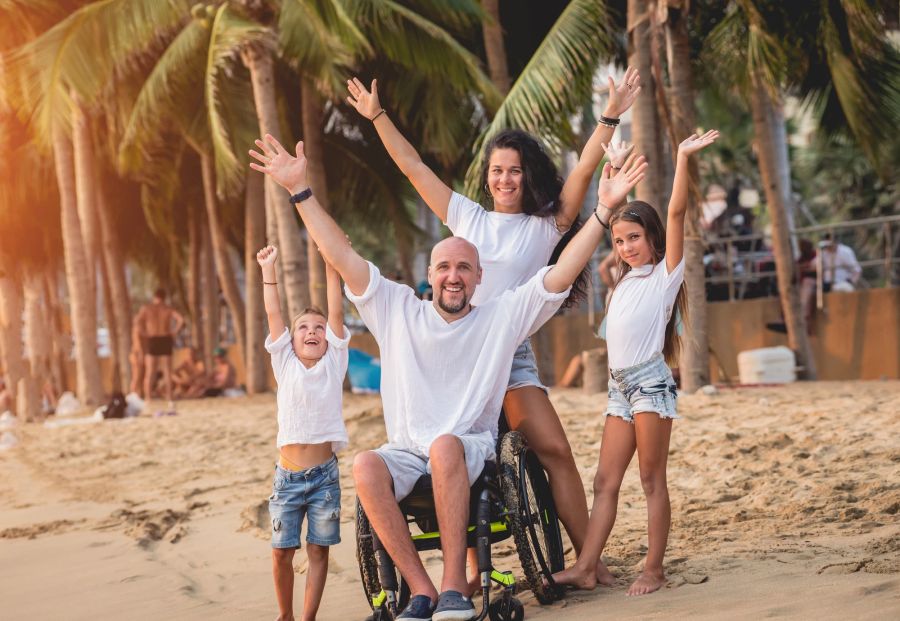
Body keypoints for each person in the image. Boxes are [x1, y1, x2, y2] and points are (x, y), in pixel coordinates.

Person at [249, 133, 646, 621]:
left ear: (479, 278)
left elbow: (561, 272)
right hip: (409, 450)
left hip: (466, 445)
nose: (453, 276)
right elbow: (342, 256)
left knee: (445, 445)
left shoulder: (500, 315)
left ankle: (455, 584)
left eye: (464, 268)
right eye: (443, 267)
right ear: (428, 275)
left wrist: (604, 212)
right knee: (366, 465)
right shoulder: (396, 308)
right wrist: (300, 191)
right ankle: (423, 591)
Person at [345, 70, 642, 583]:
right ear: (487, 176)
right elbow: (413, 167)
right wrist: (377, 117)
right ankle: (471, 572)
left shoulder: (545, 225)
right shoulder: (467, 218)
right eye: (497, 170)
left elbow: (585, 171)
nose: (505, 179)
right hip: (449, 354)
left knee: (554, 450)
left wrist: (610, 116)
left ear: (528, 177)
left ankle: (589, 561)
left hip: (509, 352)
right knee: (456, 449)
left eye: (515, 171)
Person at [551, 130, 719, 597]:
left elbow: (677, 212)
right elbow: (610, 215)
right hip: (618, 389)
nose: (626, 247)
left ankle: (654, 568)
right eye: (620, 241)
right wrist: (613, 171)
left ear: (652, 239)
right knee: (604, 481)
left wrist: (682, 156)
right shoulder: (623, 281)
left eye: (635, 238)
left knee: (650, 479)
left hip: (650, 386)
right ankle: (586, 566)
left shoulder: (665, 277)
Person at [257, 244, 350, 621]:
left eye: (319, 328)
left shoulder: (334, 362)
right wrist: (269, 269)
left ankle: (308, 617)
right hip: (287, 478)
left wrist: (332, 265)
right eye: (303, 328)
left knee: (319, 550)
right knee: (281, 551)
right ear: (291, 341)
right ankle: (286, 615)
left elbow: (337, 308)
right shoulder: (285, 363)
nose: (312, 332)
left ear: (328, 338)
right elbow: (273, 311)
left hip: (325, 477)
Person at [135, 288, 184, 413]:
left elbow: (137, 322)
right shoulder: (167, 309)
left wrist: (144, 333)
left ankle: (148, 399)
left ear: (154, 297)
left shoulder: (147, 308)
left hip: (153, 338)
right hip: (165, 338)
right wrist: (174, 332)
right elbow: (181, 320)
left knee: (150, 371)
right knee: (167, 371)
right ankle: (170, 399)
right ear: (164, 297)